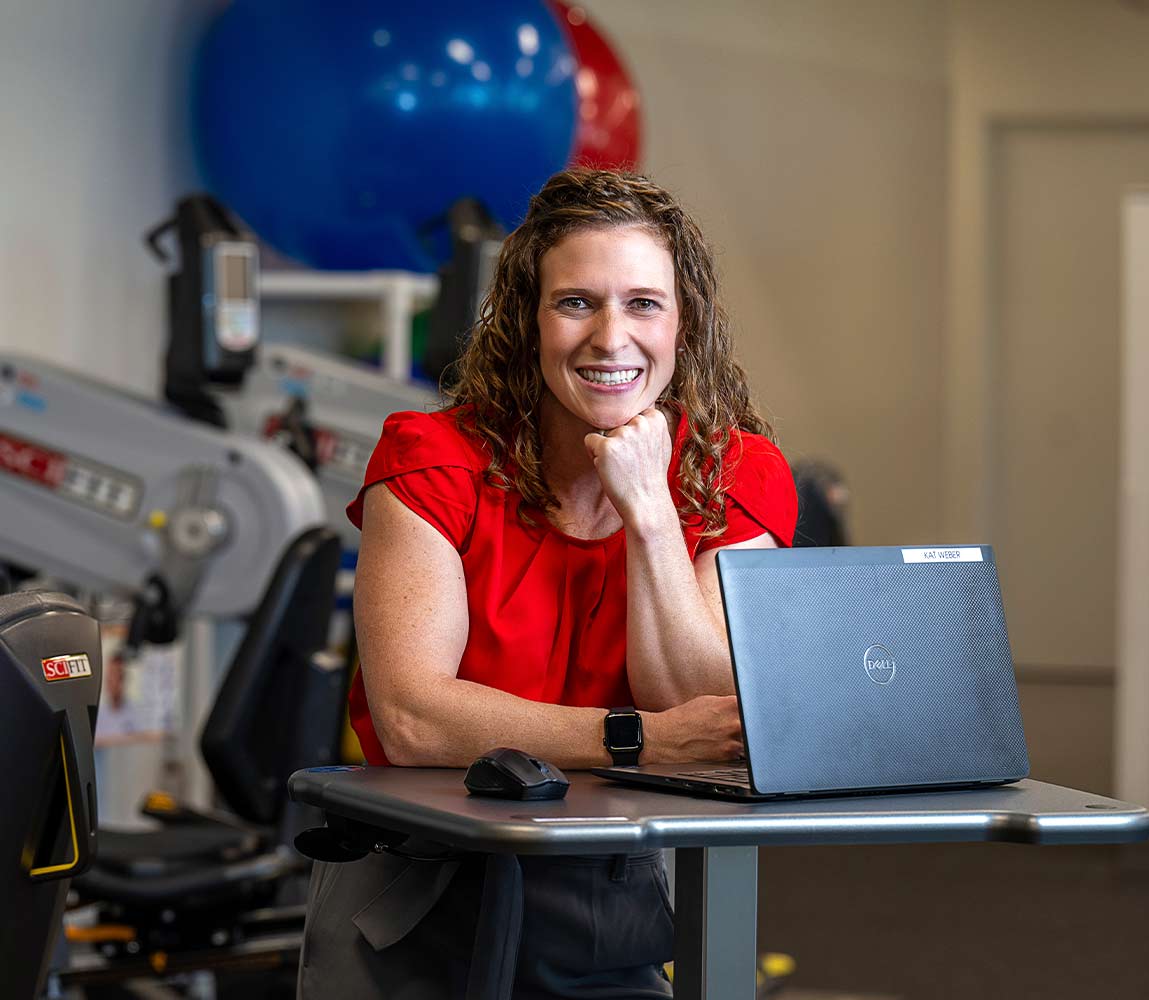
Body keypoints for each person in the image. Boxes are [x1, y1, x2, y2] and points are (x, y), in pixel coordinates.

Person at [300, 169, 798, 998]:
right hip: (418, 880)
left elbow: (707, 714)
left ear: (686, 324)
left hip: (616, 881)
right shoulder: (433, 458)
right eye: (576, 303)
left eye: (643, 303)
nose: (611, 338)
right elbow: (416, 718)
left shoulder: (735, 474)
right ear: (526, 322)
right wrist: (637, 740)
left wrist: (647, 511)